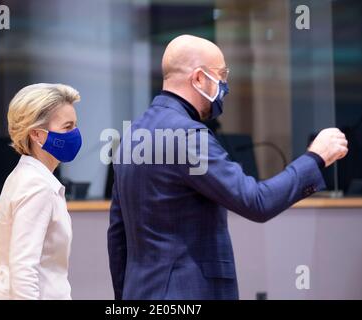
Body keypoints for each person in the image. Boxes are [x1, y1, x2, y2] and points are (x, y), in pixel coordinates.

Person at [107, 35, 348, 300]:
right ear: (199, 78)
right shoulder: (187, 135)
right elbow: (256, 201)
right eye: (221, 75)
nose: (225, 86)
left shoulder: (131, 136)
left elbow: (117, 235)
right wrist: (315, 158)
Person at [0, 83, 82, 299]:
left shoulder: (26, 177)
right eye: (67, 127)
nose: (75, 134)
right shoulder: (38, 187)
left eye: (75, 126)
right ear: (37, 135)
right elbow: (23, 270)